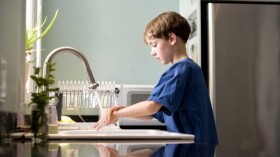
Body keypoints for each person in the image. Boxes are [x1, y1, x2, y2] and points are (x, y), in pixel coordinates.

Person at [94, 11, 218, 144]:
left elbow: (151, 106)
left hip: (191, 148)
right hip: (197, 145)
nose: (152, 52)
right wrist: (122, 110)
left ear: (171, 38)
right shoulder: (190, 68)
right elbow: (152, 113)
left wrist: (117, 114)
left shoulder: (180, 70)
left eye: (154, 45)